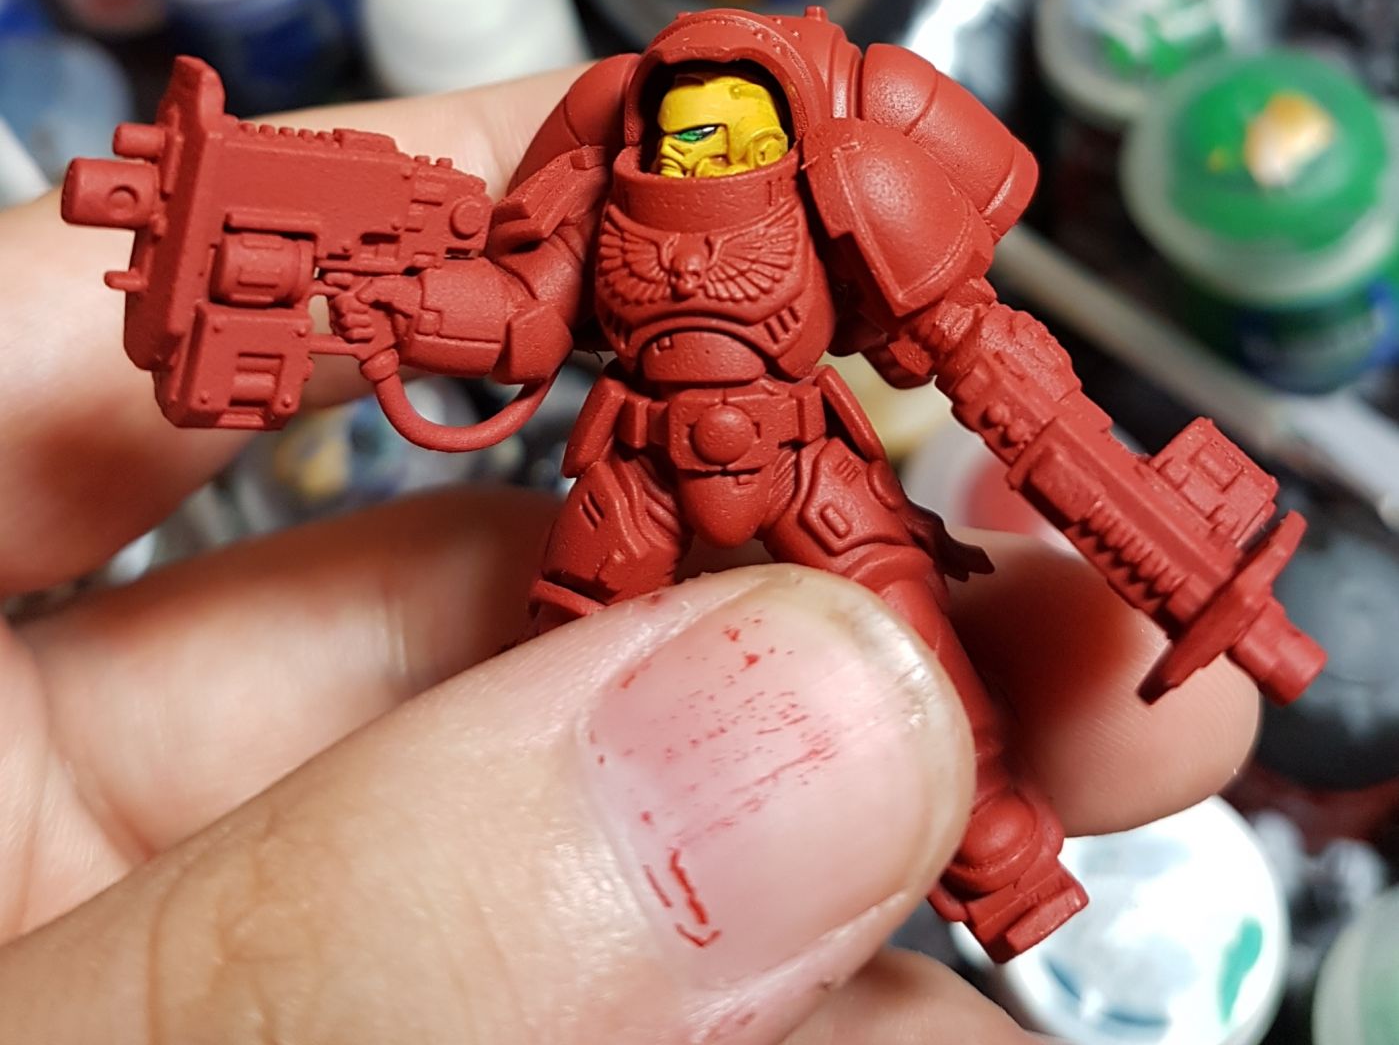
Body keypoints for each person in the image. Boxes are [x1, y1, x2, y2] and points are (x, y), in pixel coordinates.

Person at [0, 71, 1259, 1044]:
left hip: (803, 452)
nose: (700, 162)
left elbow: (974, 350)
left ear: (783, 143)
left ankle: (1004, 866)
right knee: (567, 667)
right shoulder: (601, 195)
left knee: (909, 632)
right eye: (682, 139)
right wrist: (401, 305)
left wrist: (1097, 482)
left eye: (728, 140)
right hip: (638, 462)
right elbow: (518, 320)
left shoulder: (850, 181)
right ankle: (537, 858)